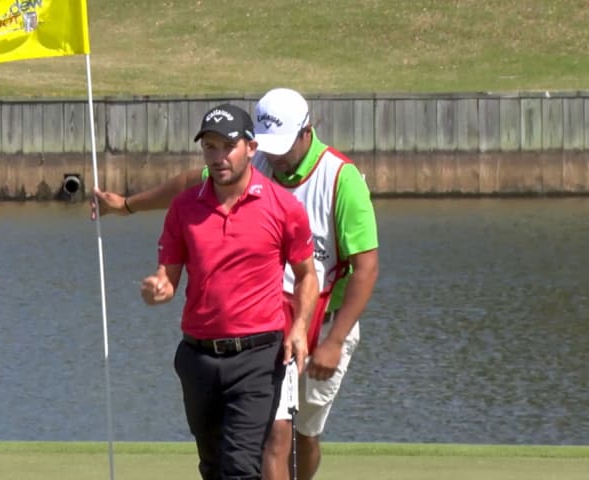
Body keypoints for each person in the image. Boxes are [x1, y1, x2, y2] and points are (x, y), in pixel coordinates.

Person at [94, 88, 379, 480]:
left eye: (284, 146)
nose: (274, 157)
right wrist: (126, 205)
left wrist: (332, 342)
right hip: (266, 325)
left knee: (305, 435)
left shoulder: (340, 179)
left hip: (326, 320)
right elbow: (185, 185)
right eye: (267, 146)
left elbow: (365, 268)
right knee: (273, 439)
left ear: (306, 132)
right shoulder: (250, 160)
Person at [140, 103, 318, 480]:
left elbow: (306, 275)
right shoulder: (184, 208)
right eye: (210, 147)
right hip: (198, 358)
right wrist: (158, 289)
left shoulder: (282, 207)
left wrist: (300, 327)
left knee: (240, 468)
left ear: (251, 148)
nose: (219, 157)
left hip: (257, 358)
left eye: (227, 146)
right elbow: (168, 278)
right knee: (213, 467)